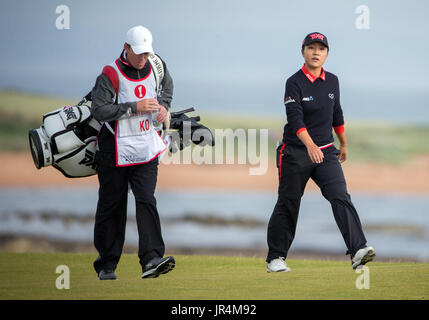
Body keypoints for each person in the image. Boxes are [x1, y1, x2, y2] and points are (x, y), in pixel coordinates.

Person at [266, 32, 375, 272]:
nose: (316, 52)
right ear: (303, 51)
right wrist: (310, 146)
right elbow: (295, 119)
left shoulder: (333, 81)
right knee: (289, 202)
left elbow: (337, 115)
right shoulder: (294, 82)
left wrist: (343, 144)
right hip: (295, 152)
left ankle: (358, 250)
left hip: (326, 152)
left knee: (340, 196)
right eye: (311, 48)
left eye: (321, 49)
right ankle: (276, 258)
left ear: (327, 53)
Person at [90, 25, 175, 280]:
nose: (143, 59)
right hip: (113, 150)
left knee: (147, 199)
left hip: (146, 149)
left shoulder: (157, 65)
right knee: (112, 205)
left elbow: (167, 88)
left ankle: (151, 259)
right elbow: (99, 110)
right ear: (126, 48)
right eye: (138, 53)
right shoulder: (110, 74)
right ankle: (106, 265)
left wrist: (164, 108)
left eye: (146, 54)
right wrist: (133, 107)